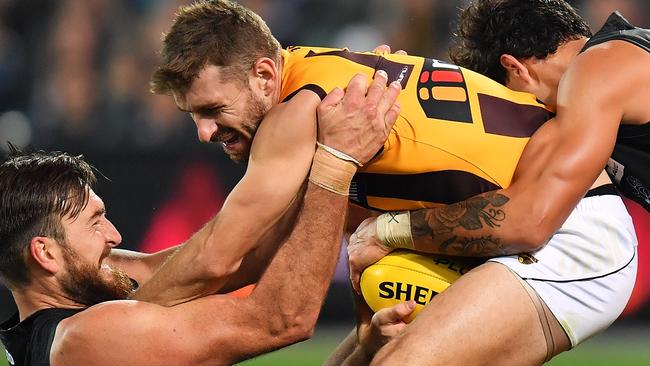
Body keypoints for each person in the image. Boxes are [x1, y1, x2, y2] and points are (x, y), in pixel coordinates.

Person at [147, 1, 636, 365]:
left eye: (212, 110)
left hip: (571, 231)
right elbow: (254, 253)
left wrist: (118, 318)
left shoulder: (299, 110)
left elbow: (219, 256)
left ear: (263, 74)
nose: (204, 132)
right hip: (503, 227)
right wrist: (126, 273)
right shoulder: (325, 83)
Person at [0, 72, 400, 365]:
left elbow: (214, 264)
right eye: (95, 221)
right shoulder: (86, 338)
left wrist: (361, 350)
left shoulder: (50, 319)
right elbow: (279, 319)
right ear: (46, 254)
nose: (115, 235)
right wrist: (335, 163)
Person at [343, 1, 647, 364]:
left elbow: (528, 220)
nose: (519, 114)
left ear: (514, 69)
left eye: (505, 99)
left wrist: (386, 229)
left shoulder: (600, 67)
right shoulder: (622, 61)